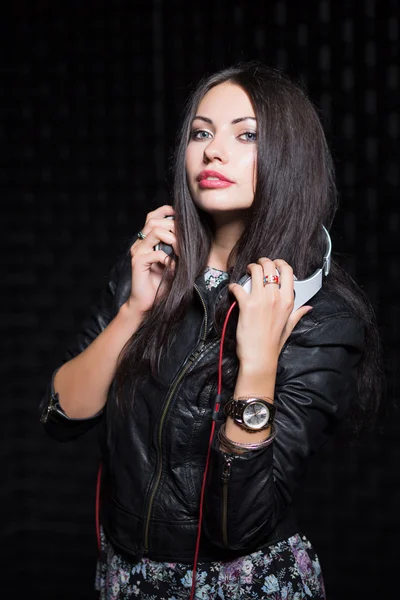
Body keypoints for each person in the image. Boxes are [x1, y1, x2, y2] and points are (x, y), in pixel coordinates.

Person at [40, 62, 383, 600]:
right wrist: (134, 310)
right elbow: (58, 415)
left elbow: (239, 526)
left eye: (246, 134)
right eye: (202, 132)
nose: (212, 151)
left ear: (290, 158)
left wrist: (259, 363)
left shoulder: (323, 317)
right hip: (121, 579)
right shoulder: (149, 270)